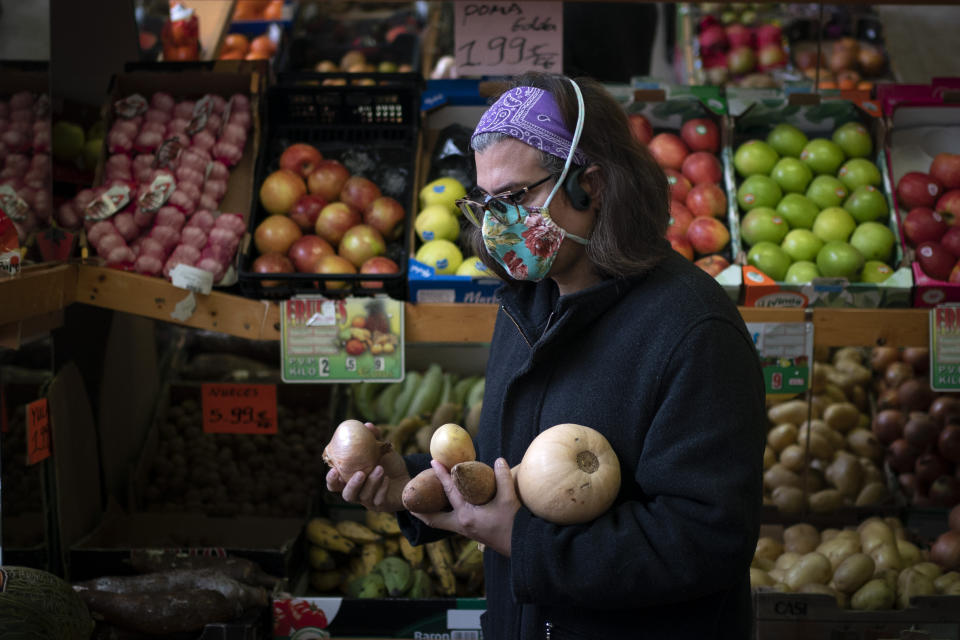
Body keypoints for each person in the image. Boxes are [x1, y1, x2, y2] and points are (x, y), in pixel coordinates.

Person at [327, 72, 766, 640]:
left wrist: (523, 540)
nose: (494, 224)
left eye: (514, 199)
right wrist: (407, 487)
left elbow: (708, 539)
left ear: (593, 184)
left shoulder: (694, 331)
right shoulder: (529, 301)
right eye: (484, 202)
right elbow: (515, 473)